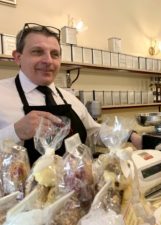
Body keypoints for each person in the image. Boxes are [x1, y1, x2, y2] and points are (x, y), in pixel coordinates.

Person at [0, 23, 142, 165]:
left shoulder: (70, 98)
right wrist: (15, 132)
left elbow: (93, 132)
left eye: (55, 54)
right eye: (37, 51)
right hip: (20, 186)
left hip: (75, 183)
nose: (48, 60)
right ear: (18, 57)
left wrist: (130, 136)